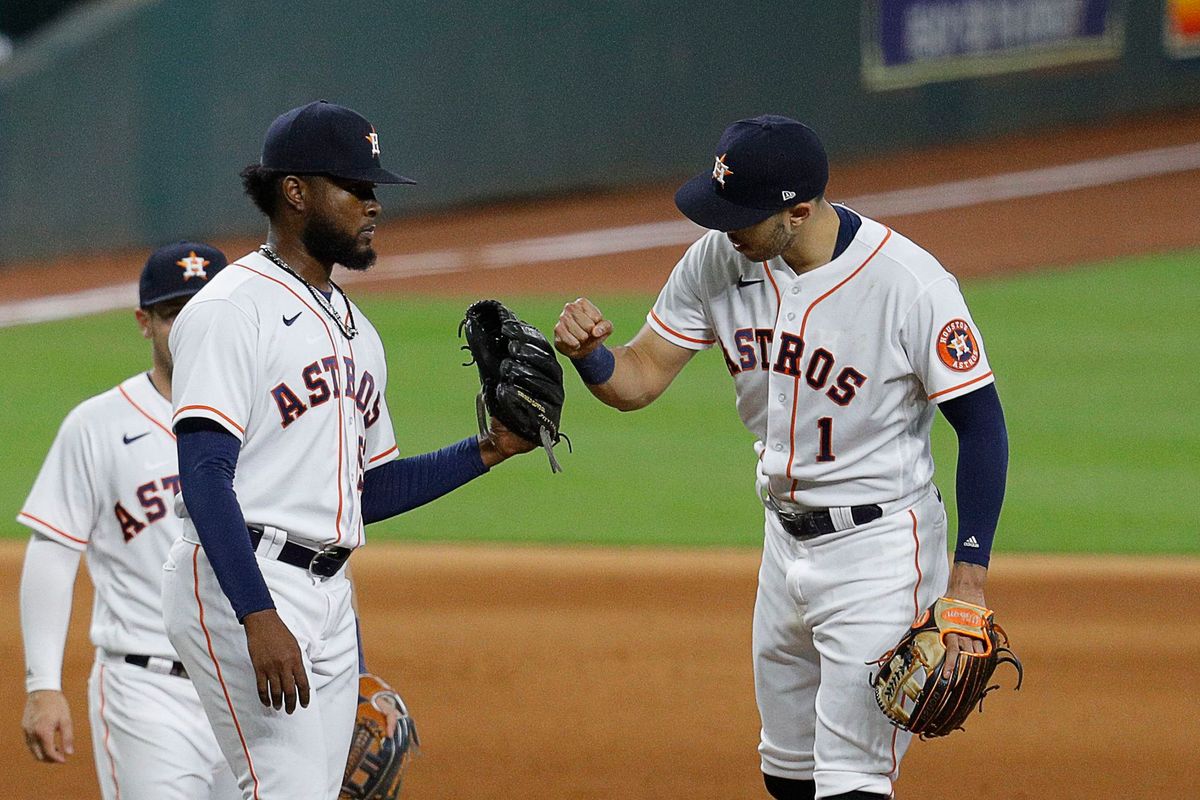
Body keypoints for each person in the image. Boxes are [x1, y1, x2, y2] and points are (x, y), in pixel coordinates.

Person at [554, 115, 1009, 800]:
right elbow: (641, 374)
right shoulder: (718, 258)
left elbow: (982, 425)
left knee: (853, 777)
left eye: (741, 215)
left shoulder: (910, 284)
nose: (724, 228)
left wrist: (968, 581)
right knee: (787, 773)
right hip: (783, 547)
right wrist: (592, 359)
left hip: (881, 549)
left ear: (797, 213)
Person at [161, 100, 537, 800]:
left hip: (328, 593)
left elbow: (361, 496)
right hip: (244, 582)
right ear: (295, 192)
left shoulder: (358, 331)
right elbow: (205, 477)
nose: (374, 205)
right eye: (356, 188)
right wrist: (257, 613)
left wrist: (489, 449)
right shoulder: (228, 310)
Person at [18, 241, 239, 800]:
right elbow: (53, 550)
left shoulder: (268, 414)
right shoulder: (97, 424)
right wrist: (42, 684)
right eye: (174, 315)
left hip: (255, 686)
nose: (191, 328)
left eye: (207, 310)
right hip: (147, 693)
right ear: (145, 322)